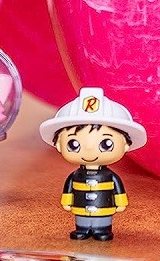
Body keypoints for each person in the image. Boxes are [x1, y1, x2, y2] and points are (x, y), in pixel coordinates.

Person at [39, 86, 147, 241]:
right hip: (80, 207)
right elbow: (69, 187)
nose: (89, 150)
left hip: (104, 208)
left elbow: (118, 188)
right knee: (82, 220)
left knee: (102, 221)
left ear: (125, 145)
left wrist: (121, 202)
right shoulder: (75, 176)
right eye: (74, 144)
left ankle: (101, 230)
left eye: (106, 144)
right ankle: (82, 229)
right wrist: (67, 201)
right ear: (59, 145)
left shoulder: (110, 176)